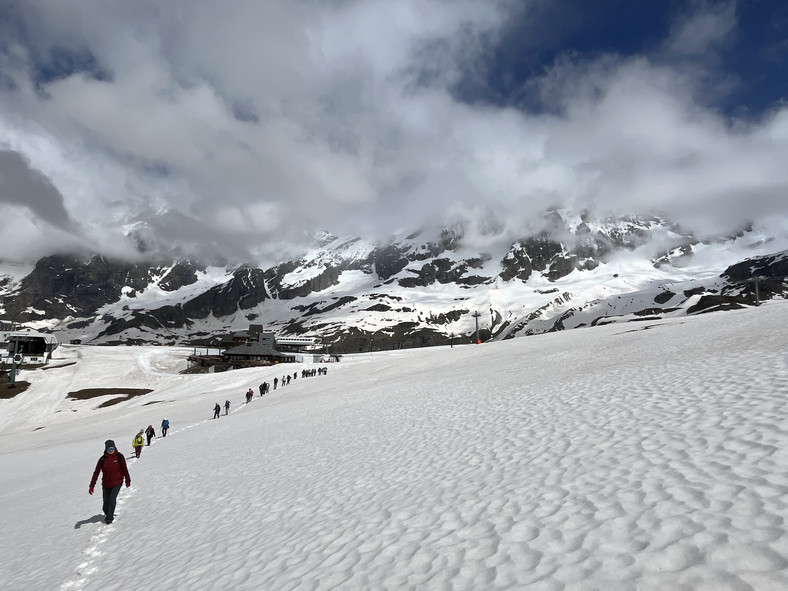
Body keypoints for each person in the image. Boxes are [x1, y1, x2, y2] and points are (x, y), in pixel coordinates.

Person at [89, 440, 131, 524]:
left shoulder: (119, 457)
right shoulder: (102, 459)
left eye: (112, 448)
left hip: (117, 482)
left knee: (112, 499)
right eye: (109, 449)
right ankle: (108, 512)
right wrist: (92, 485)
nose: (111, 450)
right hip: (106, 484)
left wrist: (127, 480)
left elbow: (124, 469)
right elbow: (96, 472)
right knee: (106, 503)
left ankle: (109, 518)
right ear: (106, 449)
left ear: (115, 448)